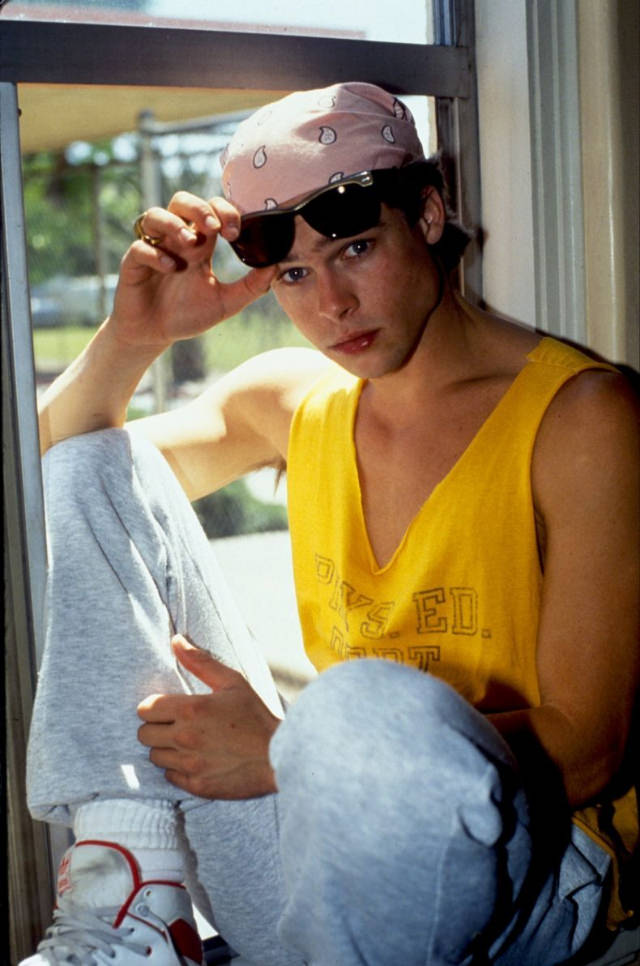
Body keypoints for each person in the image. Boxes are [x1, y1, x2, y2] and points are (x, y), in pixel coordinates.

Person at [23, 82, 639, 966]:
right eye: (295, 275)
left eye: (355, 249)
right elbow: (56, 475)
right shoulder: (291, 399)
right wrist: (135, 338)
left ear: (427, 214)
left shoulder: (582, 417)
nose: (332, 307)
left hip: (527, 868)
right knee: (90, 465)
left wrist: (293, 750)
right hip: (317, 840)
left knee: (360, 704)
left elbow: (589, 748)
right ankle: (132, 898)